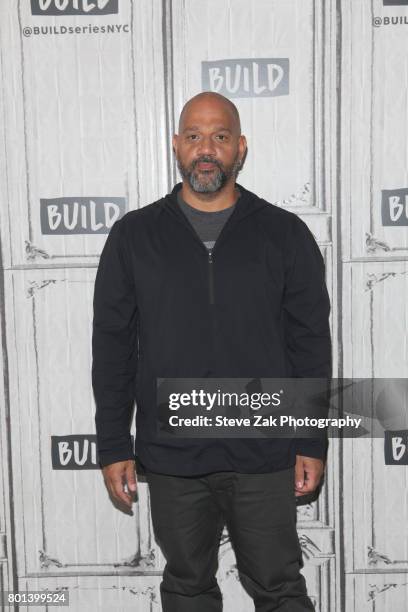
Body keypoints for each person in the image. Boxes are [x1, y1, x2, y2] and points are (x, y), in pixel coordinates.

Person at [92, 91, 332, 611]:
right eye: (195, 136)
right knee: (186, 587)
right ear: (176, 145)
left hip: (265, 453)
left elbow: (310, 343)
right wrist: (113, 443)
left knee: (280, 588)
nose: (207, 149)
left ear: (240, 147)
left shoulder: (284, 235)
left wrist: (311, 439)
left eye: (220, 137)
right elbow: (112, 348)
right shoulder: (133, 236)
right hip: (174, 457)